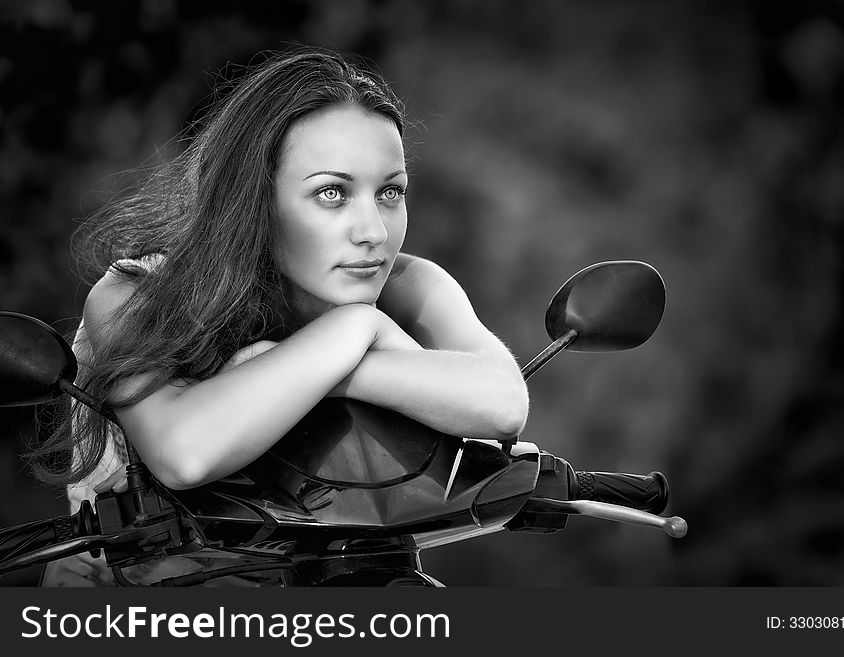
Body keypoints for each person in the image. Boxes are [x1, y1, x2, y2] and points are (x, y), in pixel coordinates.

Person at [36, 48, 529, 586]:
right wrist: (355, 330)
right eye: (332, 193)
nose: (374, 231)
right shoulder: (139, 294)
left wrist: (327, 368)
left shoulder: (410, 287)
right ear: (254, 198)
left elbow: (501, 404)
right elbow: (185, 453)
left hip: (350, 573)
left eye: (390, 192)